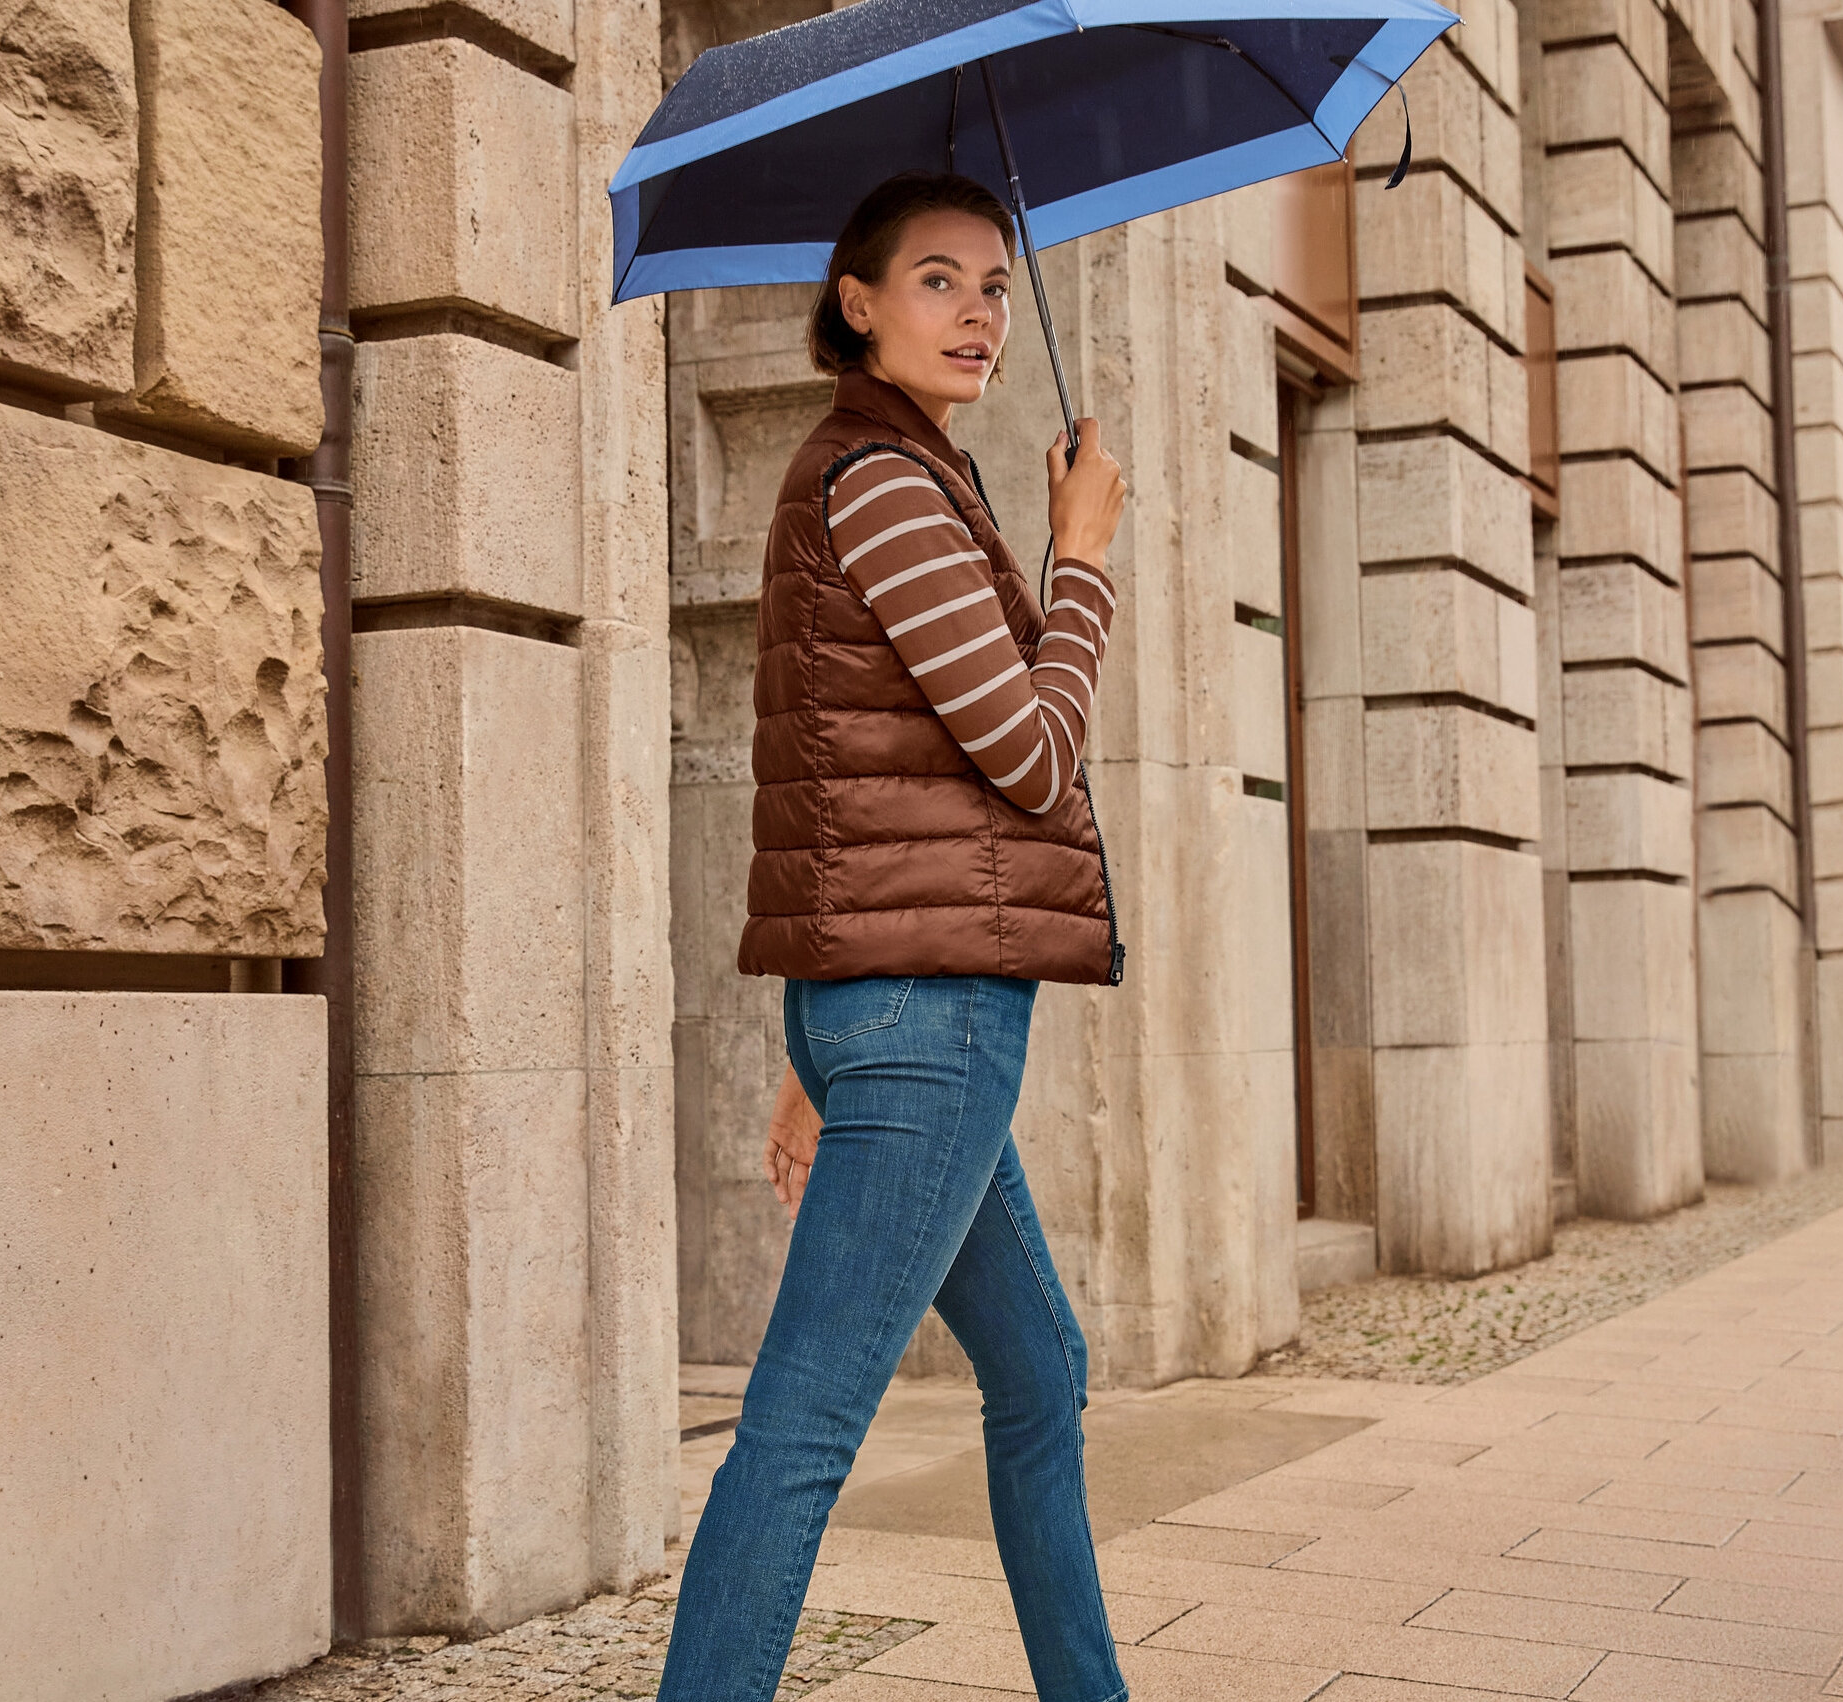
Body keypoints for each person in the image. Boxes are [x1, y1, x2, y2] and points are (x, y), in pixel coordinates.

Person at [657, 171, 1129, 1702]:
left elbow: (840, 782)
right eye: (938, 280)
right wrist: (1083, 559)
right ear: (856, 301)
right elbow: (1030, 756)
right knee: (800, 1430)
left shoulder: (890, 474)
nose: (980, 312)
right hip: (932, 1021)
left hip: (892, 1007)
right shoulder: (886, 485)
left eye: (994, 283)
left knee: (1040, 1369)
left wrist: (820, 1043)